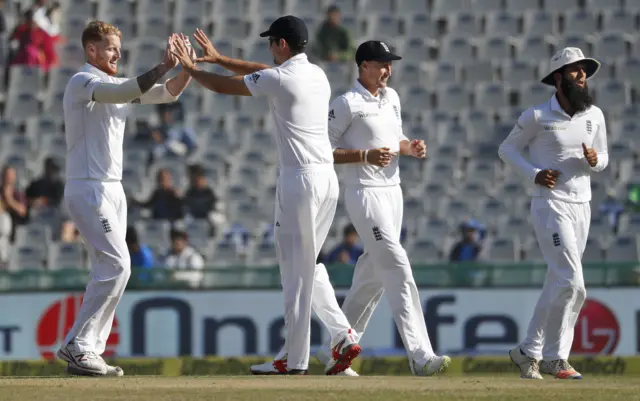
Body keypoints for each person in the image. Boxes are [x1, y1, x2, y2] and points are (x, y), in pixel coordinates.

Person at [170, 16, 361, 375]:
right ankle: (341, 334)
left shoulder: (281, 77)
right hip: (326, 181)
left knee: (295, 274)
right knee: (307, 268)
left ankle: (296, 359)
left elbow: (225, 88)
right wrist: (222, 58)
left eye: (271, 42)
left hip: (300, 181)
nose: (269, 50)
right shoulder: (315, 74)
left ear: (282, 45)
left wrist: (191, 68)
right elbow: (262, 71)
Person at [56, 21, 194, 377]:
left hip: (112, 189)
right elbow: (123, 93)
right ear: (91, 51)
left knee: (112, 267)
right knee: (119, 265)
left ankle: (88, 350)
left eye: (119, 47)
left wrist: (188, 69)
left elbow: (167, 93)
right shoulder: (82, 82)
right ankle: (78, 345)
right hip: (88, 187)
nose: (118, 53)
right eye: (111, 47)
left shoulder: (117, 83)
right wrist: (163, 66)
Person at [315, 40, 450, 377]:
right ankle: (420, 355)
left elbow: (395, 139)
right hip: (365, 193)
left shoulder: (392, 98)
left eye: (390, 64)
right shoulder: (347, 103)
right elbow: (321, 149)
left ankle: (335, 351)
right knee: (396, 263)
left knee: (372, 276)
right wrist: (364, 156)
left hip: (393, 193)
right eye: (381, 64)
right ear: (363, 66)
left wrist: (410, 147)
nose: (388, 70)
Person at [498, 47, 608, 380]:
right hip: (551, 204)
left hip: (582, 206)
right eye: (575, 71)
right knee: (573, 283)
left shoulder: (595, 115)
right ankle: (555, 357)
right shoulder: (537, 116)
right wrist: (533, 173)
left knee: (557, 282)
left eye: (584, 71)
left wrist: (594, 161)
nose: (582, 76)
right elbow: (507, 149)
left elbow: (603, 159)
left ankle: (526, 351)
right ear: (558, 78)